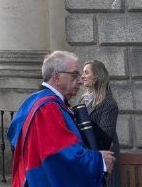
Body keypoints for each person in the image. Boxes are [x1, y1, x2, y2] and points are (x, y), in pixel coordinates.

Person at [7, 51, 115, 187]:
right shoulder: (47, 108)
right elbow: (60, 154)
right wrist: (99, 160)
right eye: (74, 74)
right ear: (56, 77)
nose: (80, 80)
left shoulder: (38, 101)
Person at [79, 60, 120, 187]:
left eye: (86, 72)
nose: (82, 76)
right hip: (89, 156)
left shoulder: (108, 103)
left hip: (106, 157)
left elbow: (105, 136)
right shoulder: (83, 100)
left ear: (97, 76)